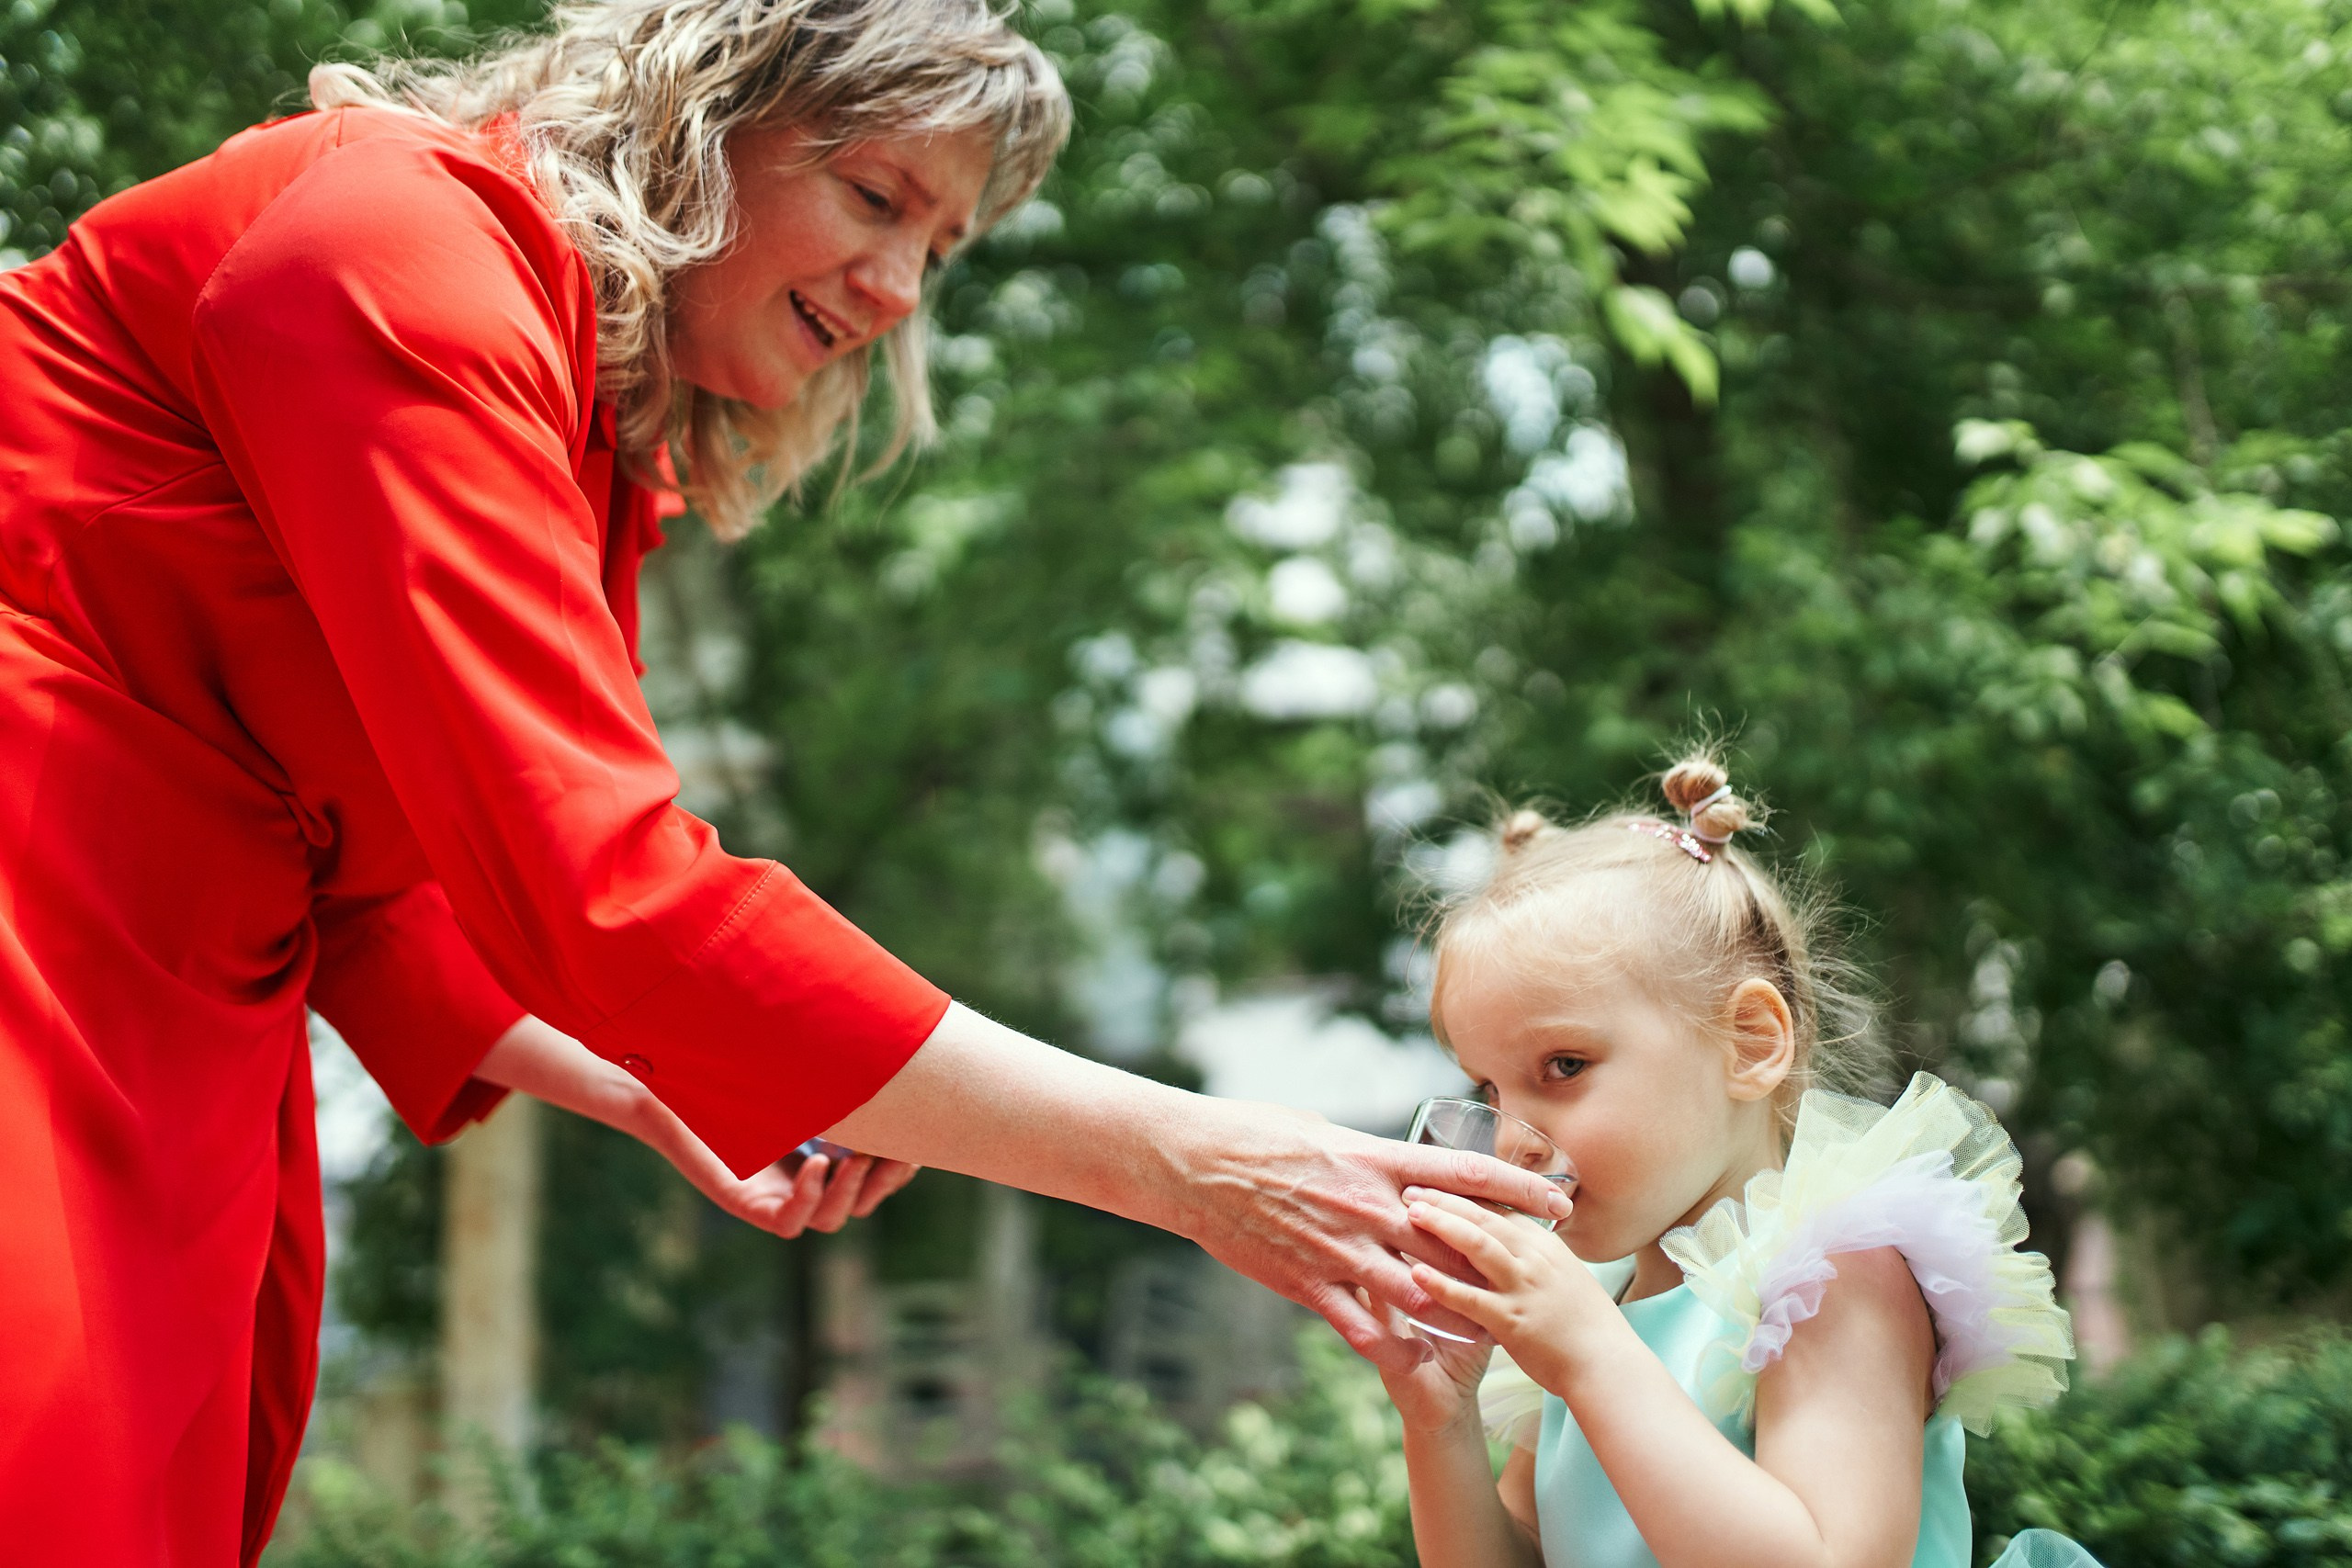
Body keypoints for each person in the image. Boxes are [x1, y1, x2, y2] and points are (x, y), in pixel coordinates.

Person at [0, 2, 1566, 1562]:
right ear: (698, 111)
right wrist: (1198, 1163)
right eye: (877, 195)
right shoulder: (393, 247)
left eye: (940, 248)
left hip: (179, 1018)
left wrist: (662, 1076)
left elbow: (372, 879)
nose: (899, 289)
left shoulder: (577, 425)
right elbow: (604, 886)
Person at [1372, 757, 2103, 1568]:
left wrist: (1589, 1357)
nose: (1512, 1138)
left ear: (1750, 1043)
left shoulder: (1830, 1274)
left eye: (1565, 1066)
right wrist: (1439, 1420)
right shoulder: (1597, 1308)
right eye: (1489, 1088)